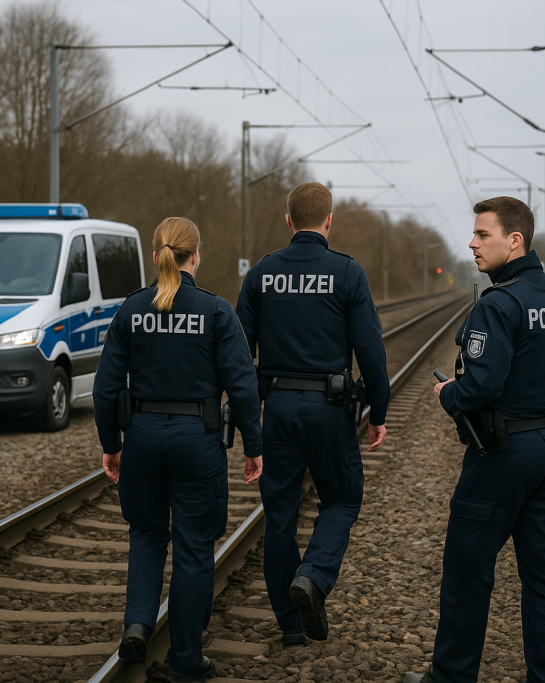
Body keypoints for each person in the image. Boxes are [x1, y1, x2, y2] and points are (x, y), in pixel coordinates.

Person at [404, 196, 545, 683]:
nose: (471, 243)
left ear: (515, 240)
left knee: (468, 571)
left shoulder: (500, 303)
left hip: (503, 455)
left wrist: (449, 394)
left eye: (482, 234)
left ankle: (450, 678)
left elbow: (482, 386)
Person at [94, 217, 264, 683]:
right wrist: (254, 445)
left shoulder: (131, 311)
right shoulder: (214, 311)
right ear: (196, 257)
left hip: (143, 438)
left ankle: (137, 625)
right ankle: (187, 660)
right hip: (197, 440)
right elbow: (243, 385)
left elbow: (107, 386)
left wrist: (112, 444)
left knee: (147, 533)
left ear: (156, 256)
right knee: (193, 548)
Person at [236, 181, 390, 645]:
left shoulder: (261, 275)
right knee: (341, 500)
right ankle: (315, 576)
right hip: (329, 409)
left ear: (288, 221)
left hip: (278, 407)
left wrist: (248, 423)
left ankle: (291, 623)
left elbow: (241, 356)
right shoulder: (346, 274)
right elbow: (372, 353)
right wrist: (378, 412)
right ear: (328, 221)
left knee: (279, 515)